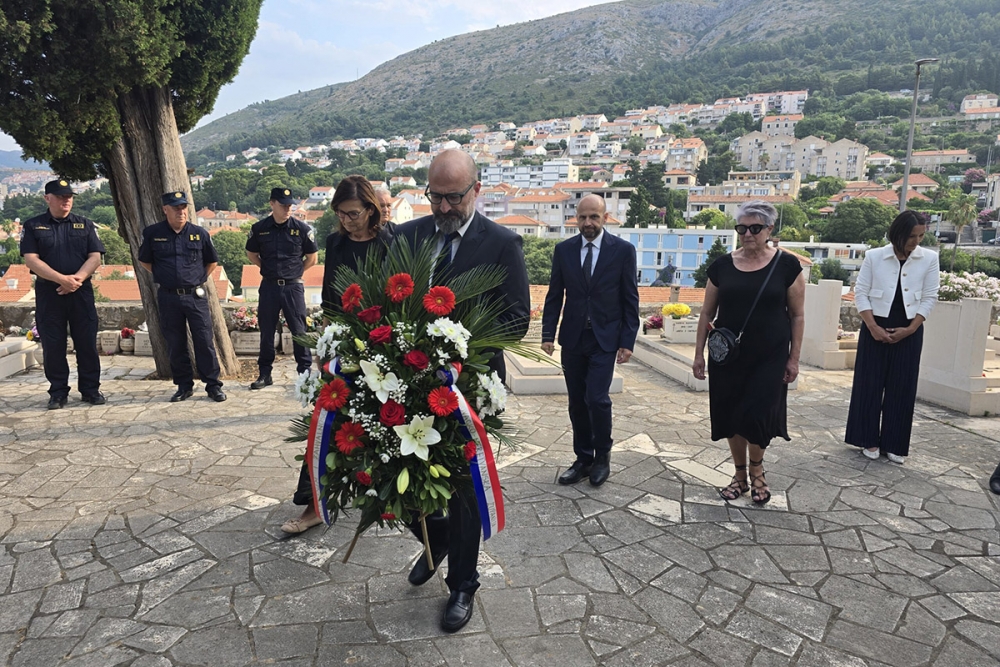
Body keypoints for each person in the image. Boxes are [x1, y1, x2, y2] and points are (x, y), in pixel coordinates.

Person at [394, 149, 530, 633]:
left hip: (469, 388)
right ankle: (437, 538)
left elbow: (516, 321)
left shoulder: (503, 243)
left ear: (476, 190)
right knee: (397, 478)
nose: (445, 208)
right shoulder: (406, 236)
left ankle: (462, 586)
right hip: (407, 385)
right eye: (436, 196)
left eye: (454, 197)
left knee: (465, 490)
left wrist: (457, 345)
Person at [282, 175, 392, 536]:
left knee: (384, 423)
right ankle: (315, 504)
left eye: (354, 214)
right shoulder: (335, 242)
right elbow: (331, 299)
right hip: (344, 342)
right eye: (341, 214)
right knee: (327, 424)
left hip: (384, 341)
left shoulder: (392, 241)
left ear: (371, 210)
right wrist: (324, 347)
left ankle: (388, 497)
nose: (347, 221)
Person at [692, 200, 805, 505]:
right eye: (742, 228)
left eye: (755, 228)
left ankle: (758, 472)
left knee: (757, 416)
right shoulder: (721, 266)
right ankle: (740, 476)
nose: (747, 234)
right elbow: (706, 313)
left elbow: (797, 315)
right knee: (731, 415)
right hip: (728, 357)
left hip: (769, 356)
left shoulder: (787, 266)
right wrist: (699, 355)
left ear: (769, 229)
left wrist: (794, 358)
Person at [542, 194, 639, 487]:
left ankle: (602, 458)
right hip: (573, 338)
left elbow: (630, 298)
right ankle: (583, 459)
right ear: (576, 218)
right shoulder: (564, 250)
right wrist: (548, 334)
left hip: (604, 338)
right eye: (582, 217)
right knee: (577, 403)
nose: (587, 223)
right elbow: (554, 294)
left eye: (594, 217)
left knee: (597, 399)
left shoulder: (622, 250)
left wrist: (628, 340)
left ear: (605, 218)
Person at [846, 210, 939, 464]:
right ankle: (868, 439)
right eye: (911, 236)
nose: (916, 241)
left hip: (909, 329)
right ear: (898, 234)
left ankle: (895, 442)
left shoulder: (929, 259)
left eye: (921, 235)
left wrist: (911, 329)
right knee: (869, 385)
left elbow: (931, 296)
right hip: (874, 326)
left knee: (903, 387)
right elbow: (861, 292)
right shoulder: (875, 256)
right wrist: (873, 327)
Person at [19, 179, 106, 409]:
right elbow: (31, 259)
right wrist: (62, 280)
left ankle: (90, 389)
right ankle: (58, 392)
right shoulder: (33, 225)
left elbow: (95, 257)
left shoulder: (85, 224)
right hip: (50, 293)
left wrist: (76, 280)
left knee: (86, 343)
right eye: (60, 196)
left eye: (69, 196)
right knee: (53, 345)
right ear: (47, 198)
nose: (66, 200)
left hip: (81, 292)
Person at [138, 191, 226, 403]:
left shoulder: (199, 233)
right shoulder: (153, 233)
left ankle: (213, 385)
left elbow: (211, 261)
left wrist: (197, 278)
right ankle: (184, 385)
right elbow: (145, 261)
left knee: (204, 341)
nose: (181, 212)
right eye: (176, 208)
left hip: (195, 296)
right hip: (168, 296)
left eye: (184, 207)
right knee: (175, 343)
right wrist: (165, 277)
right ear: (165, 209)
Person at [245, 187, 318, 389]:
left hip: (293, 288)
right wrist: (267, 269)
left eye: (289, 205)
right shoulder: (260, 228)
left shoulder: (302, 229)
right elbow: (251, 254)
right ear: (272, 204)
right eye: (283, 204)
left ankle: (304, 375)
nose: (288, 208)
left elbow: (312, 258)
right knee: (267, 332)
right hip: (269, 287)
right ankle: (265, 374)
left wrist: (295, 273)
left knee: (299, 331)